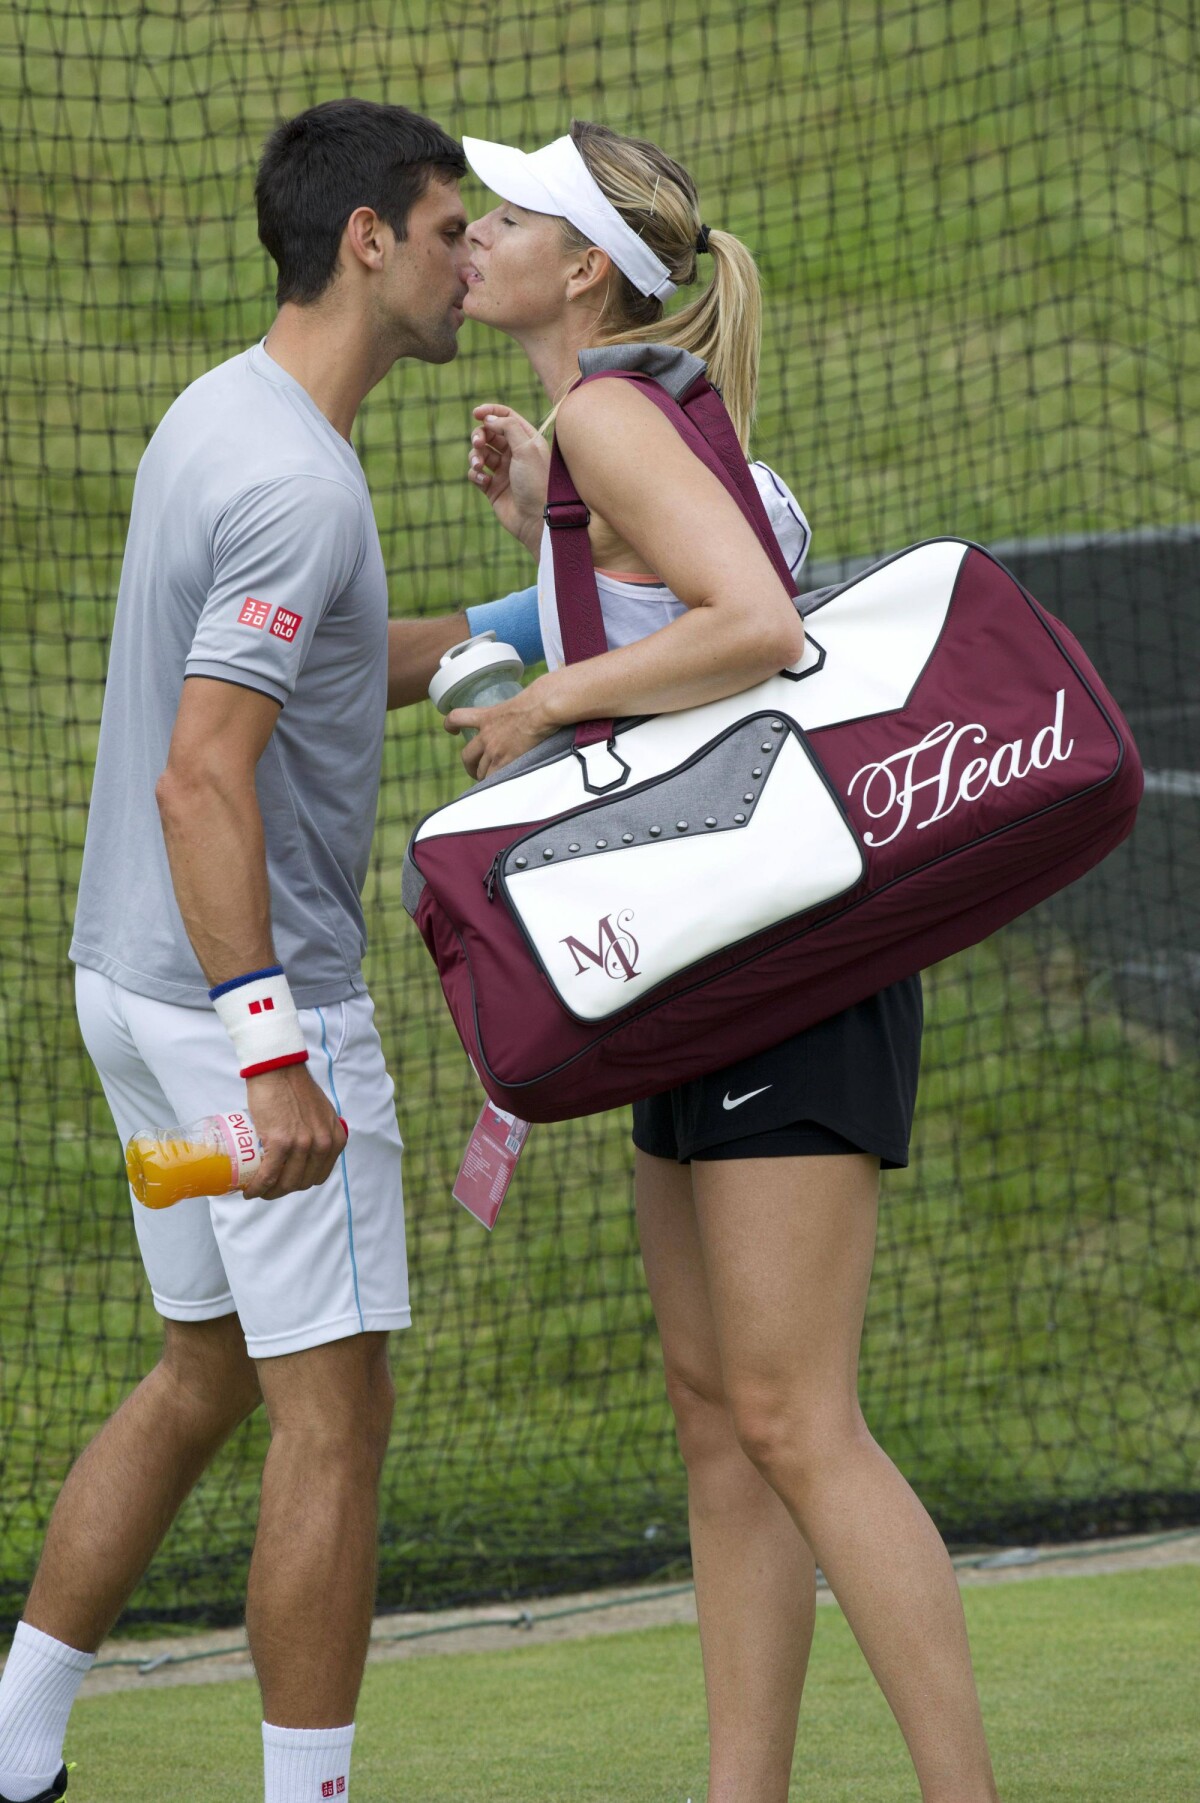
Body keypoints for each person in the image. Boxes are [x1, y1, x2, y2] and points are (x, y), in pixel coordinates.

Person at [447, 121, 1004, 1803]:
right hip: (690, 960)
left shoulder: (614, 410)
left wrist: (539, 694)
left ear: (586, 266)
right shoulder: (592, 427)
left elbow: (760, 626)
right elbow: (697, 628)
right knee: (719, 1414)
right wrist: (543, 542)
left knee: (792, 1418)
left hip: (784, 965)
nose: (468, 231)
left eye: (506, 216)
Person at [0, 98, 474, 1803]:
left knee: (207, 1371)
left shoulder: (225, 416)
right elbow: (206, 768)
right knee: (331, 1422)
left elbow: (332, 665)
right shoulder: (294, 481)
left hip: (128, 997)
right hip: (244, 1028)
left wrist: (516, 636)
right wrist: (276, 1053)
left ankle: (14, 1747)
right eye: (447, 231)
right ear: (365, 240)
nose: (470, 262)